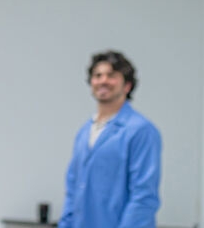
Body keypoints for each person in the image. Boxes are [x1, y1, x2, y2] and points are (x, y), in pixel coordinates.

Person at [58, 50, 162, 228]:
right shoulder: (84, 133)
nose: (103, 80)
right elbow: (73, 189)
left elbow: (143, 197)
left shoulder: (140, 130)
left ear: (127, 85)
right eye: (97, 75)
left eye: (111, 75)